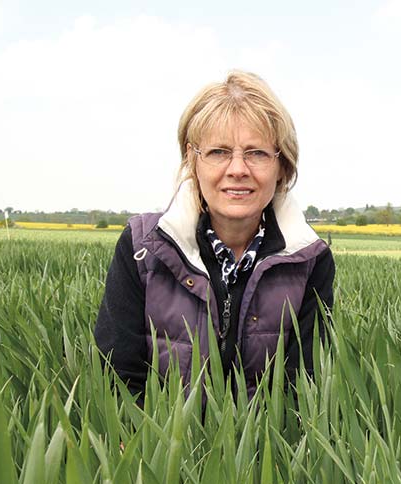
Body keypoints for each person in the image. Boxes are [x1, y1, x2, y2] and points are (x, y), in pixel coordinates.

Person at [95, 71, 334, 404]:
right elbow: (117, 381)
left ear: (283, 167)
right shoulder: (142, 248)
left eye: (257, 153)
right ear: (193, 161)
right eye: (219, 152)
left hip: (264, 453)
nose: (237, 169)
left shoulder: (309, 260)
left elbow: (304, 390)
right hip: (161, 450)